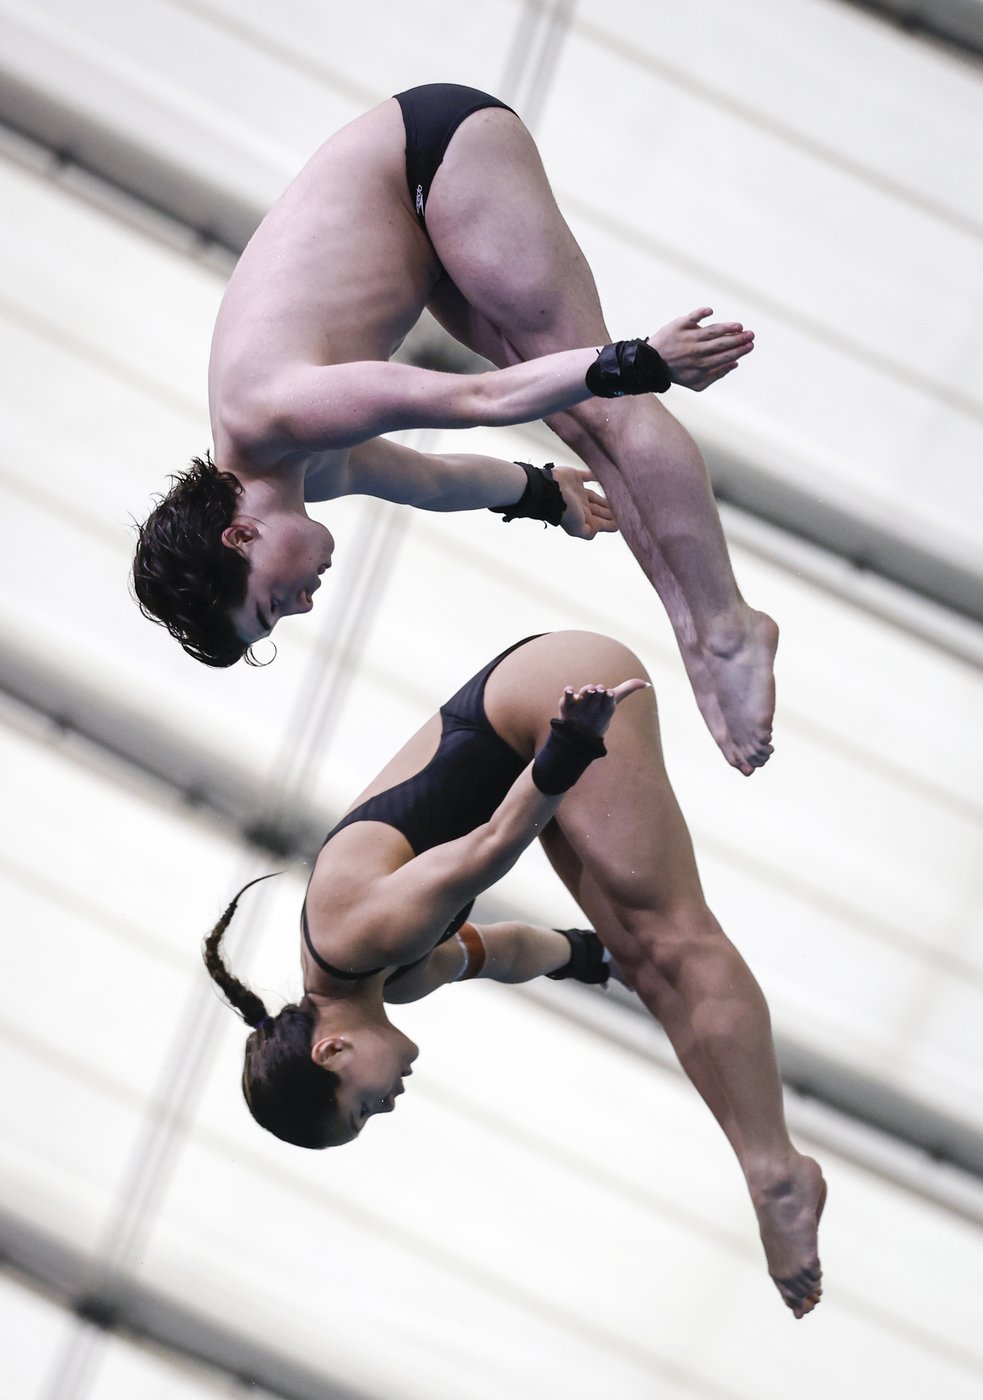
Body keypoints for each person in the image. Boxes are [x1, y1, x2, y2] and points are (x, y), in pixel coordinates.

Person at [133, 83, 777, 776]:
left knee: (610, 409)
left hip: (434, 157)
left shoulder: (275, 411)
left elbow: (477, 398)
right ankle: (695, 629)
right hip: (417, 221)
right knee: (585, 424)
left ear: (240, 535)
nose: (304, 603)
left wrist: (640, 359)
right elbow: (429, 482)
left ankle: (726, 627)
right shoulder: (297, 469)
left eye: (272, 604)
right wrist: (534, 492)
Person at [204, 630, 824, 1318]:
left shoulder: (358, 934)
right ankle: (762, 1168)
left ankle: (774, 1173)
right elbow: (508, 952)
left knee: (672, 937)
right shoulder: (392, 978)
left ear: (332, 1051)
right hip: (530, 753)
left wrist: (570, 744)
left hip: (551, 698)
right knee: (649, 967)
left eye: (364, 1106)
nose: (389, 1104)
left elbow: (492, 847)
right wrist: (595, 959)